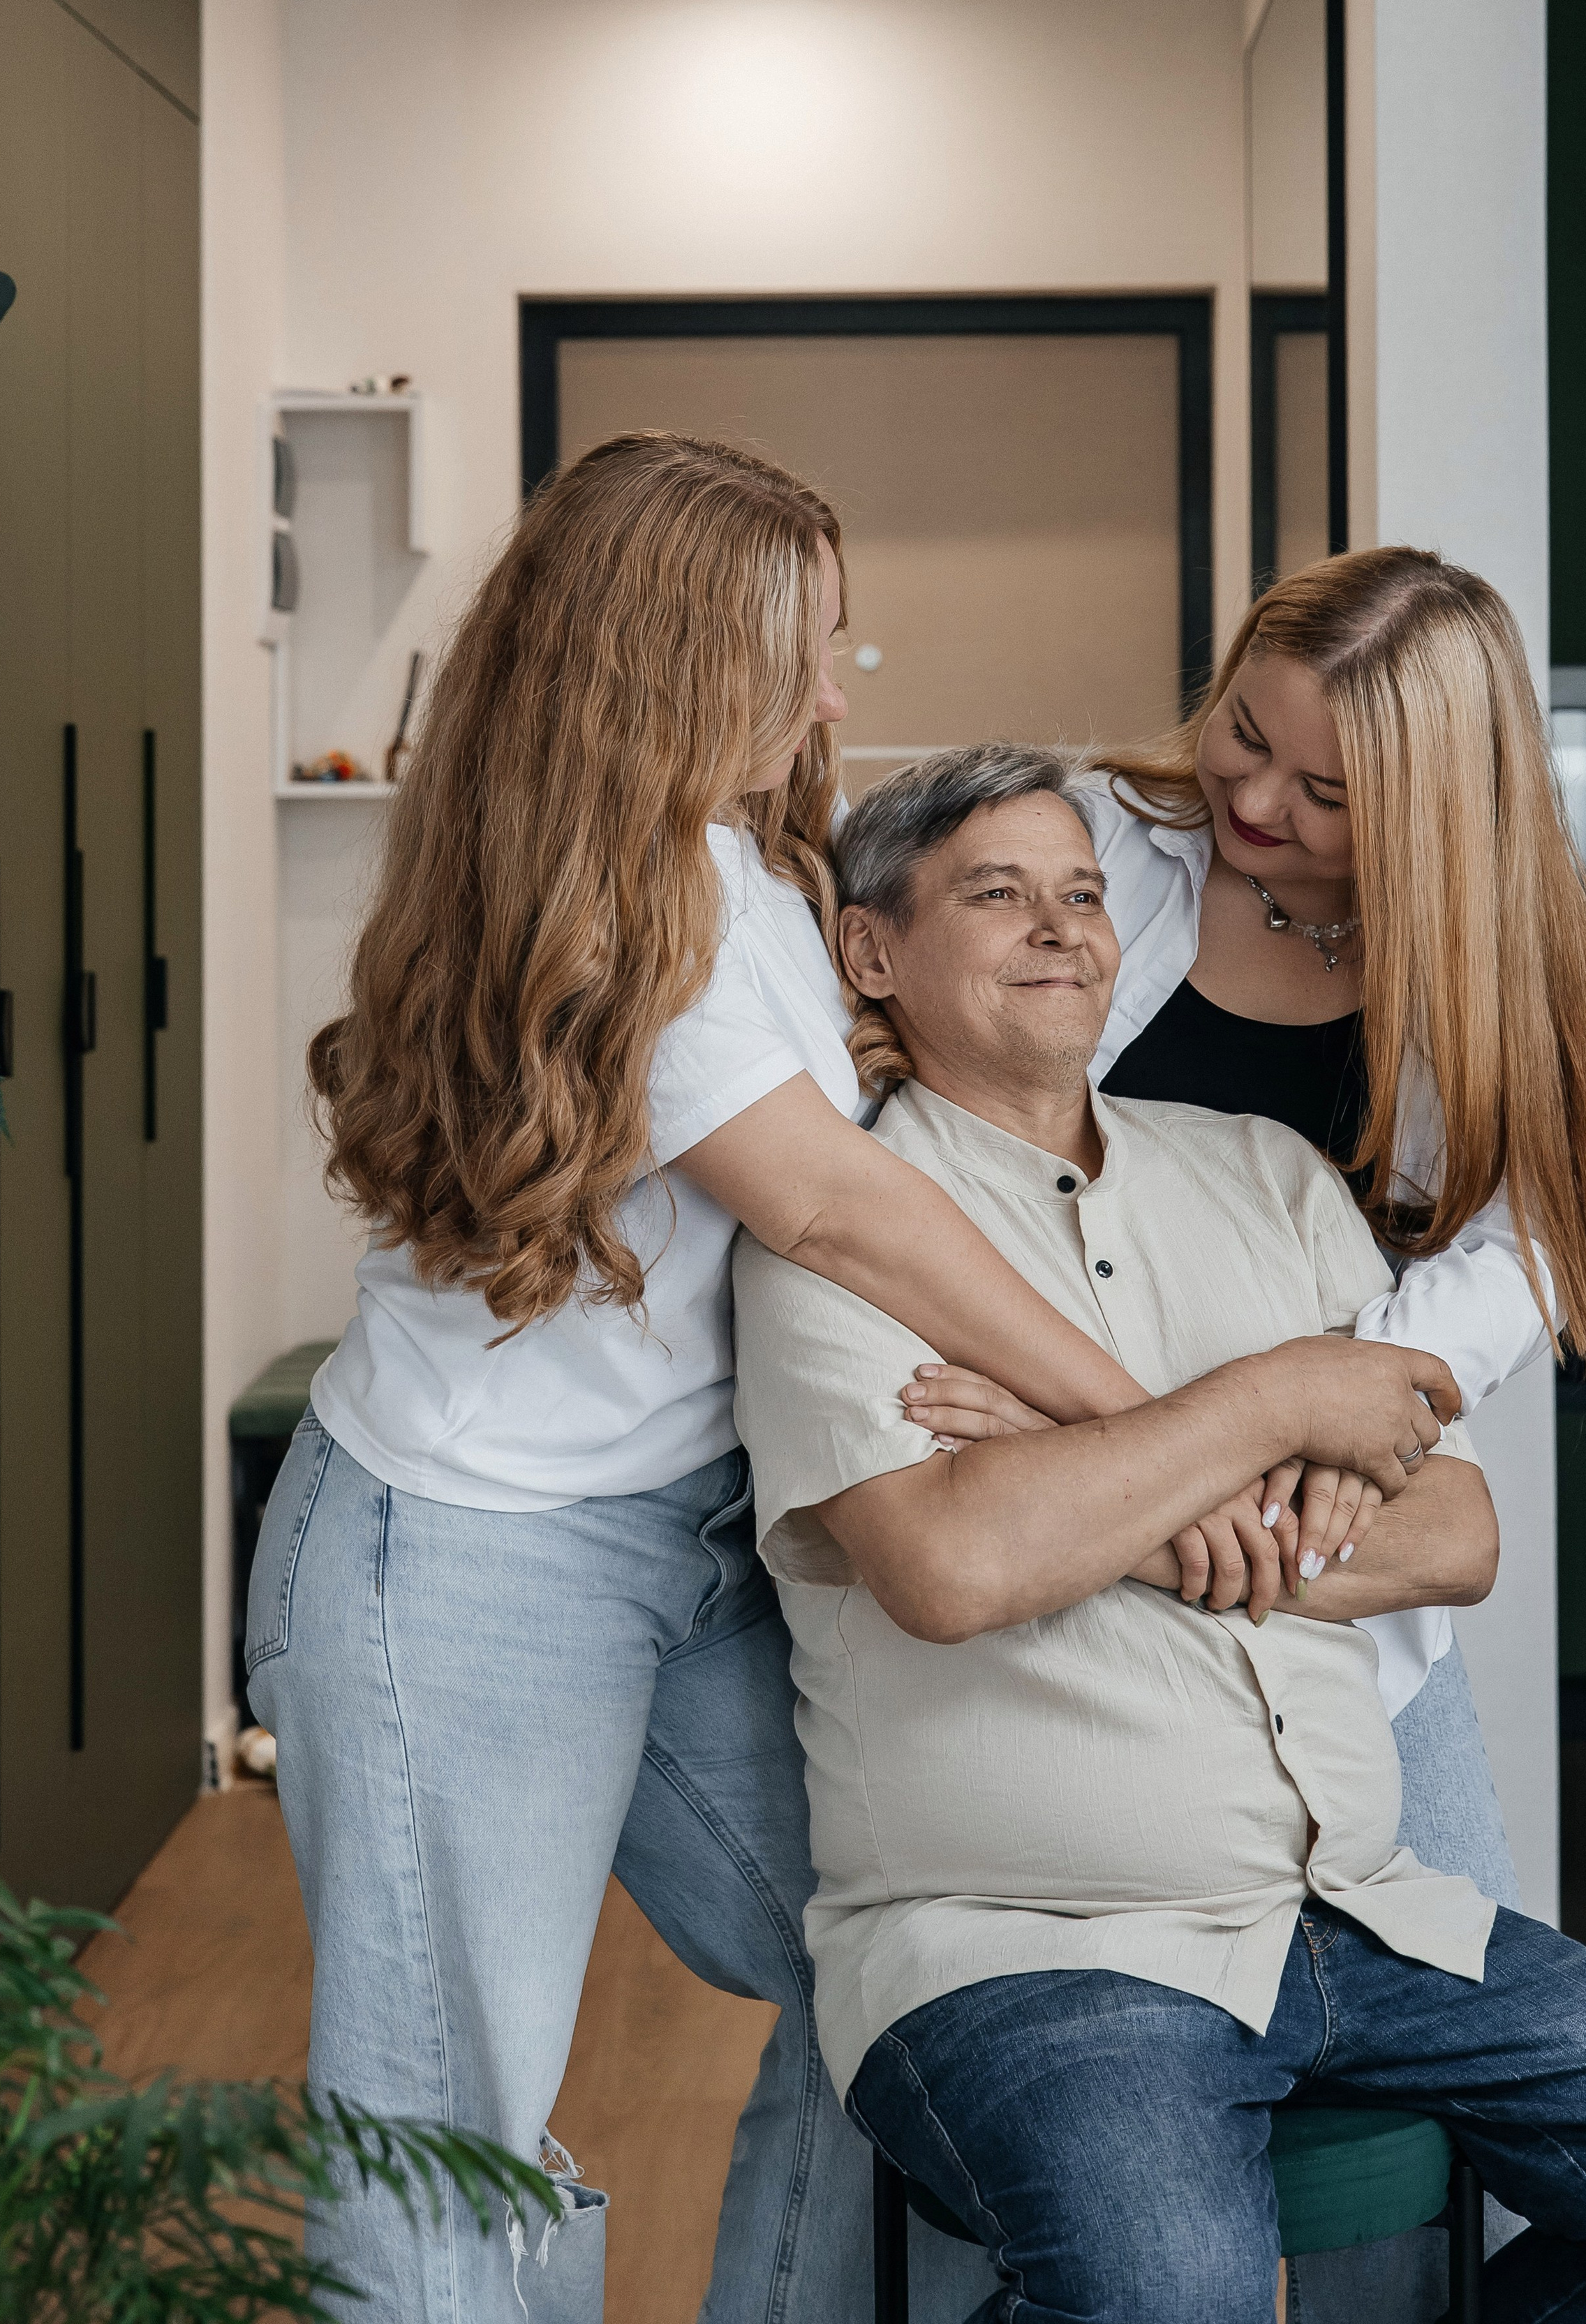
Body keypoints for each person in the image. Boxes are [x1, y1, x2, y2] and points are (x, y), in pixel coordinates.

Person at [243, 435, 1446, 2324]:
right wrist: (1150, 1428)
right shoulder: (635, 886)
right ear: (677, 658)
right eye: (806, 649)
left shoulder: (740, 864)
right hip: (472, 1564)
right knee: (441, 2123)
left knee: (913, 1962)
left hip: (698, 1536)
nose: (832, 693)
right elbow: (845, 1210)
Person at [731, 746, 1586, 2324]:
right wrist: (1268, 1400)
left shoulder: (1267, 1178)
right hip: (1037, 1951)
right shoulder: (830, 1228)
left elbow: (1454, 1535)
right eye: (996, 894)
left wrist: (1082, 1464)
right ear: (871, 952)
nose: (1063, 926)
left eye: (1080, 892)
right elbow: (951, 1569)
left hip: (1364, 1909)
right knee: (1163, 2293)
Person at [901, 551, 1586, 1914]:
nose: (1254, 801)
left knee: (1462, 1980)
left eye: (1324, 792)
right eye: (1245, 736)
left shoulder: (1494, 944)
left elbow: (1537, 1231)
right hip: (1054, 1509)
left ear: (1431, 806)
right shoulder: (1080, 842)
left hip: (1318, 1551)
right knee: (915, 2022)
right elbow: (919, 1148)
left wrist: (1339, 1403)